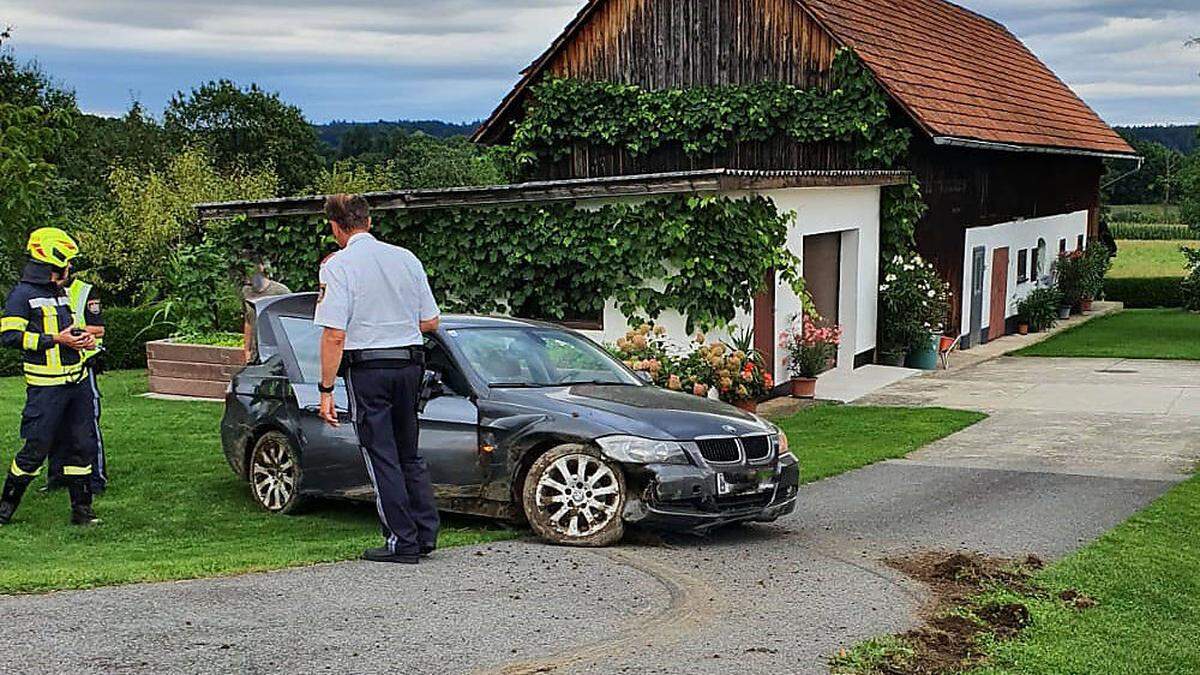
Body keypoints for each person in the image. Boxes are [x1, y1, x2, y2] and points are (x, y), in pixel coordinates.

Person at [314, 194, 440, 565]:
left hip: (369, 368)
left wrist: (325, 389)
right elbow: (430, 321)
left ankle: (402, 541)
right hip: (409, 363)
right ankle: (424, 533)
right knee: (409, 453)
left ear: (337, 228)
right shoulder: (405, 258)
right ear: (368, 222)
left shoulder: (338, 266)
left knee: (380, 453)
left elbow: (334, 333)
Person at [0, 228, 100, 526]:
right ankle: (5, 510)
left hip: (77, 383)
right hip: (46, 389)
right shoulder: (22, 295)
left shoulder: (61, 294)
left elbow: (69, 333)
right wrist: (55, 339)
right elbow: (9, 337)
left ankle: (82, 513)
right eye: (66, 264)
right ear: (51, 265)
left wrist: (83, 341)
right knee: (36, 449)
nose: (70, 269)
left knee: (82, 446)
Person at [43, 276, 107, 494]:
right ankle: (57, 478)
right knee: (53, 423)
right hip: (54, 366)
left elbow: (99, 329)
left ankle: (95, 480)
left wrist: (73, 332)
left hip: (83, 362)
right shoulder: (41, 291)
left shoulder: (85, 291)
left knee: (86, 425)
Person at [241, 261, 291, 359]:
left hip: (276, 352)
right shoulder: (246, 291)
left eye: (250, 267)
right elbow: (248, 321)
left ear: (261, 267)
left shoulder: (280, 291)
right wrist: (247, 350)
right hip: (256, 354)